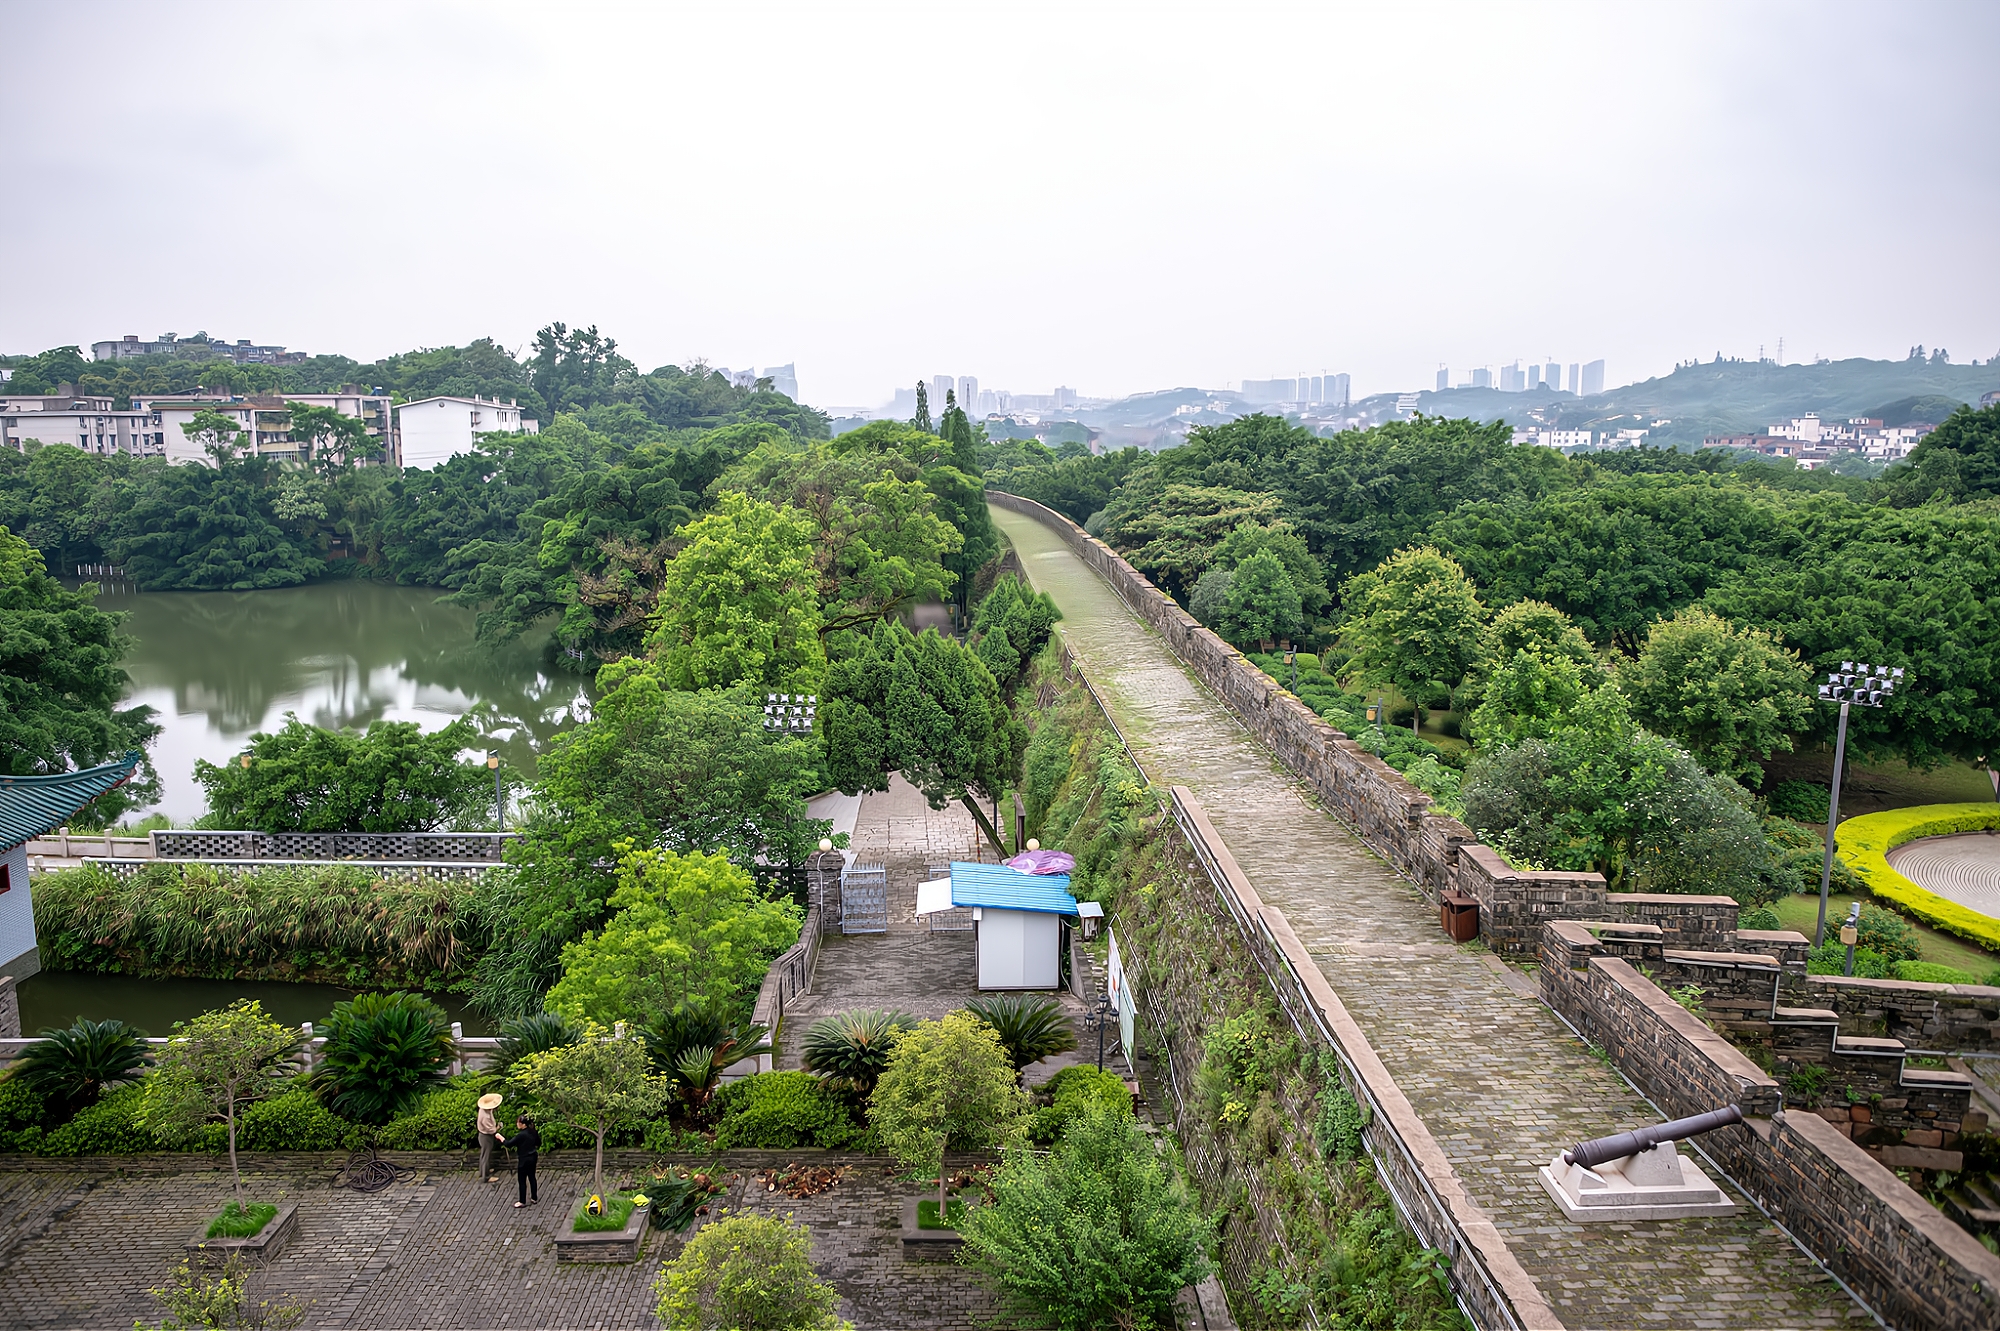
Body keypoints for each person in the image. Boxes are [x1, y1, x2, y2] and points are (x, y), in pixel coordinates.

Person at [476, 1091, 506, 1183]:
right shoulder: (485, 1117)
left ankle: (483, 1171)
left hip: (484, 1135)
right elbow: (492, 1130)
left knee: (484, 1154)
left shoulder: (485, 1110)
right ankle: (486, 1177)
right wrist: (498, 1127)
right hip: (486, 1137)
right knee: (486, 1156)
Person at [513, 1114, 541, 1208]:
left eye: (518, 1122)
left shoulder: (521, 1135)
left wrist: (500, 1138)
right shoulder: (533, 1132)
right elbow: (538, 1143)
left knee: (522, 1180)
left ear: (522, 1124)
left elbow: (509, 1143)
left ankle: (522, 1201)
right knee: (532, 1177)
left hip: (524, 1159)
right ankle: (534, 1197)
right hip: (533, 1156)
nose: (517, 1124)